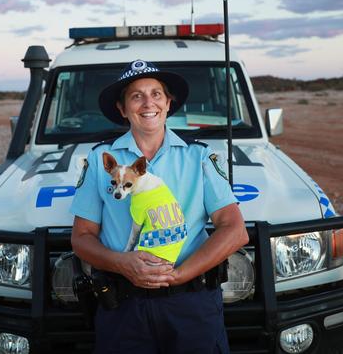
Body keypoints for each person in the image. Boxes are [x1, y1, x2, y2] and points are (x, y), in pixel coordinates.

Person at [70, 59, 249, 354]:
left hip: (191, 304)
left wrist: (178, 276)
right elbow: (82, 237)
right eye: (136, 96)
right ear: (122, 108)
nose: (147, 103)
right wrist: (121, 263)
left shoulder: (199, 156)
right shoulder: (102, 160)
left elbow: (235, 230)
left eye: (156, 94)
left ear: (168, 103)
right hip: (122, 305)